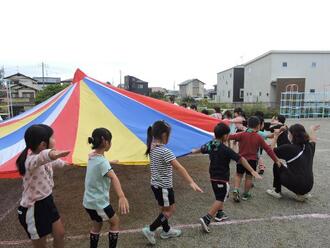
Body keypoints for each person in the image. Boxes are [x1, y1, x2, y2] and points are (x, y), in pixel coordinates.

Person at [192, 123, 262, 233]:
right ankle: (207, 218)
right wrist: (252, 171)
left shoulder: (211, 144)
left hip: (213, 176)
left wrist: (194, 151)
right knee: (221, 197)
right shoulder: (225, 149)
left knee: (219, 195)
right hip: (221, 177)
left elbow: (202, 149)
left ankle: (220, 214)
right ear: (225, 136)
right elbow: (241, 159)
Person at [142, 120, 203, 245]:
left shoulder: (152, 147)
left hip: (155, 185)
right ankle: (150, 229)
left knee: (163, 210)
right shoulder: (165, 151)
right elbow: (179, 167)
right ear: (164, 135)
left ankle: (166, 230)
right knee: (169, 211)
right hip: (164, 187)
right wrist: (191, 182)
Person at [16, 124, 71, 248]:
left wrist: (72, 162)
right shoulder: (30, 161)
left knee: (60, 234)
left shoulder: (46, 159)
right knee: (41, 245)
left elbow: (58, 163)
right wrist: (53, 154)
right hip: (34, 208)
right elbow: (43, 157)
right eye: (52, 138)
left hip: (47, 201)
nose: (55, 140)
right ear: (43, 145)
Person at [83, 128, 129, 248]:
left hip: (89, 201)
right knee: (115, 222)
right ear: (105, 141)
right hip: (98, 203)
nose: (111, 143)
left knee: (97, 225)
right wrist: (121, 196)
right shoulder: (102, 163)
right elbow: (114, 178)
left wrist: (109, 162)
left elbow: (100, 163)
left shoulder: (92, 156)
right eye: (110, 141)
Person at [229, 116, 281, 202]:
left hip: (241, 159)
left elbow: (230, 136)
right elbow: (268, 150)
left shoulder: (241, 134)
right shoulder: (258, 137)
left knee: (238, 175)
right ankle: (245, 194)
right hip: (252, 161)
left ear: (248, 125)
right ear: (258, 126)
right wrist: (276, 160)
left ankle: (236, 189)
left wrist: (217, 135)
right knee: (249, 177)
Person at [267, 124, 319, 201]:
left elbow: (271, 151)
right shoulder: (309, 146)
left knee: (277, 164)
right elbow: (313, 140)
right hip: (309, 186)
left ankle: (276, 191)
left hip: (297, 185)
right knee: (297, 169)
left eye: (288, 133)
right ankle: (302, 194)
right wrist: (312, 129)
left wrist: (275, 136)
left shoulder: (289, 148)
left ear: (291, 135)